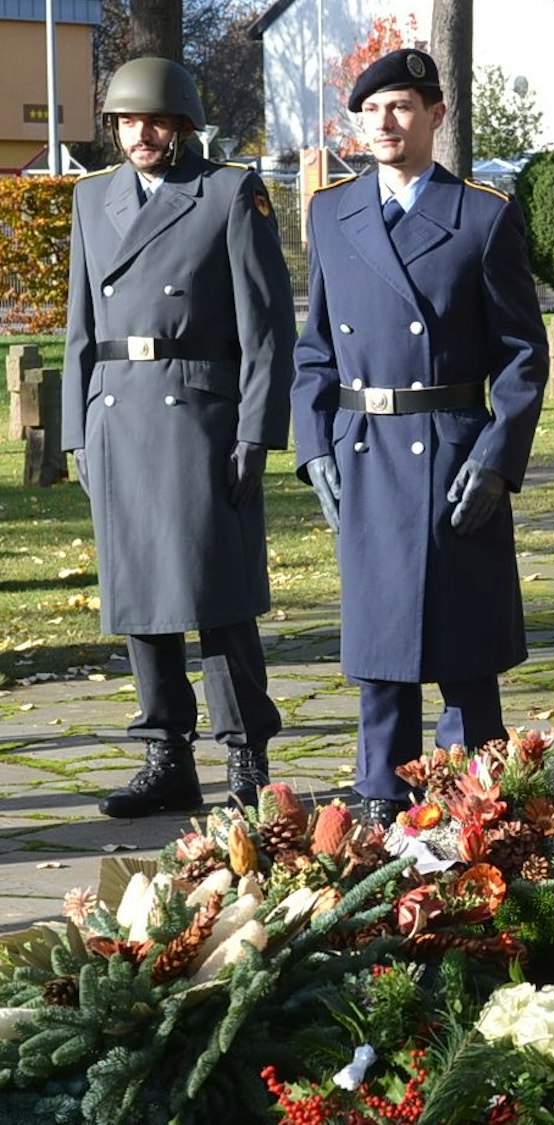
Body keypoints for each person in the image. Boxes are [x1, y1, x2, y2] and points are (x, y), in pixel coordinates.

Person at [291, 48, 549, 825]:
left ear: (437, 115)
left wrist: (498, 460)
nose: (384, 122)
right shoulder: (330, 213)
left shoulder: (482, 215)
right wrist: (314, 449)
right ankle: (378, 796)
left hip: (451, 451)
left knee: (464, 644)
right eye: (371, 110)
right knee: (380, 648)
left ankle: (475, 798)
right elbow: (313, 353)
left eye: (401, 106)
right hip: (363, 450)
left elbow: (522, 356)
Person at [60, 58, 294, 817]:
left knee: (216, 590)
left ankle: (246, 752)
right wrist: (76, 431)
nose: (141, 134)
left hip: (200, 414)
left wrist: (258, 431)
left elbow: (267, 331)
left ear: (185, 124)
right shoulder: (92, 199)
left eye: (155, 121)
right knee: (138, 595)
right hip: (116, 413)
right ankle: (167, 755)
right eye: (128, 121)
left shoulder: (228, 192)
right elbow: (78, 331)